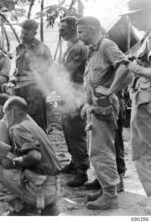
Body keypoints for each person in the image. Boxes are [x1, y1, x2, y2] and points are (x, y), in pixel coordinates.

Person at [77, 16, 130, 210]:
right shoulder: (93, 51)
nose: (79, 36)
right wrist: (87, 103)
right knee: (97, 152)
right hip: (95, 107)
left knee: (101, 153)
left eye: (81, 32)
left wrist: (110, 91)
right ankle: (107, 188)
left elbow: (125, 67)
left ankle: (110, 195)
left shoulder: (107, 45)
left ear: (92, 29)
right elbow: (92, 80)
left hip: (105, 107)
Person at [0, 96, 61, 216]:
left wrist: (14, 162)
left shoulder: (18, 128)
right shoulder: (32, 125)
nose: (5, 118)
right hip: (54, 186)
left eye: (5, 114)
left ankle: (19, 210)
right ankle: (48, 207)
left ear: (12, 111)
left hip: (42, 189)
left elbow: (35, 156)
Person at [118, 0, 151, 197]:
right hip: (144, 99)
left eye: (135, 16)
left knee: (142, 154)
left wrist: (134, 67)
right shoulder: (146, 37)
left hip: (147, 102)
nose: (132, 21)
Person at [58, 16, 90, 187]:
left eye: (63, 29)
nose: (60, 32)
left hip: (76, 95)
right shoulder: (71, 47)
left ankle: (82, 170)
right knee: (67, 129)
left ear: (72, 29)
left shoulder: (77, 48)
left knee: (75, 132)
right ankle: (74, 162)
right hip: (68, 94)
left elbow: (66, 71)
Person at [11, 19, 52, 132]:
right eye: (22, 33)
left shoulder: (42, 49)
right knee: (21, 124)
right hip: (19, 92)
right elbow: (18, 69)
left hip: (35, 94)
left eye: (26, 34)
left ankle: (41, 148)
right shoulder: (19, 48)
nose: (22, 36)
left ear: (34, 33)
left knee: (36, 126)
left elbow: (47, 71)